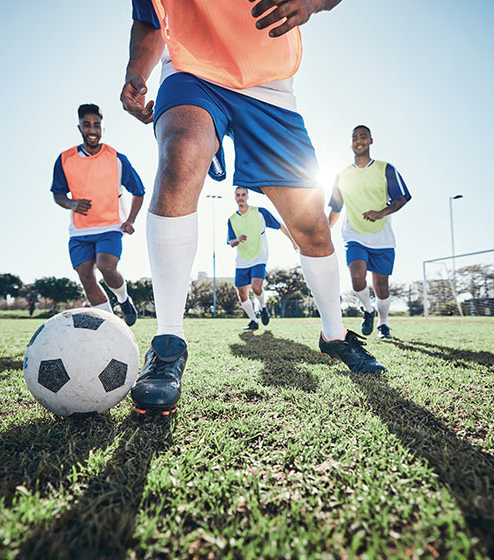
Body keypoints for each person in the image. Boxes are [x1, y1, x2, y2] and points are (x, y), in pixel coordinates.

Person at [122, 0, 386, 416]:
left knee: (312, 227)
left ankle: (334, 335)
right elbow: (150, 18)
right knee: (181, 155)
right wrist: (136, 72)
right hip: (192, 70)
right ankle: (168, 343)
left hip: (269, 84)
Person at [50, 104, 145, 325]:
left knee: (106, 267)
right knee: (86, 277)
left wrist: (130, 220)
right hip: (80, 231)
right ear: (79, 127)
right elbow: (58, 193)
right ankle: (111, 326)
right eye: (87, 125)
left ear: (102, 128)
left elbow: (139, 191)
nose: (92, 130)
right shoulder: (65, 159)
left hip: (110, 226)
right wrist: (71, 203)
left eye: (96, 125)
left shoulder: (117, 158)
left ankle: (123, 298)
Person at [328, 125, 411, 339]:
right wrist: (324, 232)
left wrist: (382, 212)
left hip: (382, 238)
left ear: (371, 141)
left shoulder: (386, 169)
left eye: (363, 136)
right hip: (354, 235)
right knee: (357, 277)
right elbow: (336, 208)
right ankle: (367, 309)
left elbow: (402, 197)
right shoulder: (342, 175)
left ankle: (383, 324)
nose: (359, 140)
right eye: (355, 137)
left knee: (381, 287)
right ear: (351, 143)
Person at [227, 186, 298, 330]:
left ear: (247, 196)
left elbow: (281, 226)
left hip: (259, 256)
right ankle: (253, 321)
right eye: (238, 195)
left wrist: (293, 241)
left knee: (256, 287)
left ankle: (263, 307)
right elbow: (231, 242)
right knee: (242, 293)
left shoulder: (260, 212)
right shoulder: (232, 219)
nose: (240, 197)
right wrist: (238, 239)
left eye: (243, 194)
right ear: (235, 198)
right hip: (242, 260)